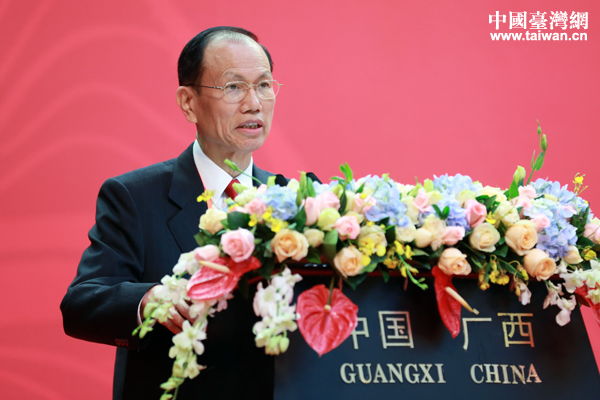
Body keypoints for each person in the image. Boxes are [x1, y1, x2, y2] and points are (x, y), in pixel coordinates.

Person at [61, 26, 286, 400]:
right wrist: (148, 299)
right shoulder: (135, 197)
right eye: (234, 87)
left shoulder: (294, 202)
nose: (254, 103)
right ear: (188, 102)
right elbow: (81, 303)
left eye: (264, 85)